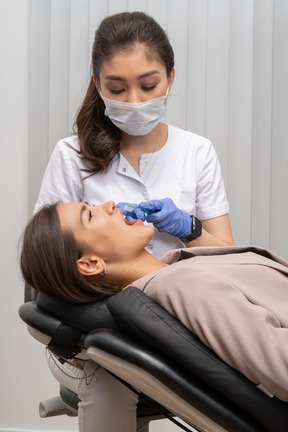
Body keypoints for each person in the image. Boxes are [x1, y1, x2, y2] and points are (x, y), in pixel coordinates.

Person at [32, 10, 234, 432]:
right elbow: (46, 267)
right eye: (117, 88)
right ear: (97, 86)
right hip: (92, 333)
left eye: (149, 85)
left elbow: (228, 259)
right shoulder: (71, 156)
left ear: (170, 79)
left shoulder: (197, 153)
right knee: (111, 376)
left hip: (178, 322)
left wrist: (190, 229)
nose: (136, 102)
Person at [21, 200, 288, 406]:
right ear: (91, 264)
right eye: (90, 214)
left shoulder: (175, 266)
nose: (111, 204)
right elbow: (280, 367)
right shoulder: (183, 286)